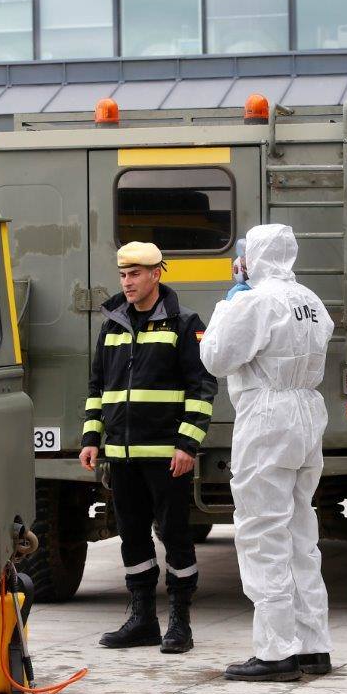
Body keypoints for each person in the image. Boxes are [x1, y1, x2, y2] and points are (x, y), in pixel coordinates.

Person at [199, 224, 335, 682]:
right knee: (300, 531)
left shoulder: (255, 301)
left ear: (252, 256)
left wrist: (227, 303)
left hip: (268, 415)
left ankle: (276, 651)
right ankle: (313, 644)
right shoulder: (311, 301)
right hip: (306, 413)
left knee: (262, 531)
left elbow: (216, 357)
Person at [79, 241, 217, 654]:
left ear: (157, 274)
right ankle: (142, 619)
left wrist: (188, 444)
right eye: (123, 275)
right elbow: (97, 388)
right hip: (121, 457)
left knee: (175, 535)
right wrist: (90, 439)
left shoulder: (184, 323)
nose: (127, 282)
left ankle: (180, 621)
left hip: (166, 457)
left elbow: (202, 387)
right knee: (132, 536)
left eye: (135, 274)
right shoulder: (112, 324)